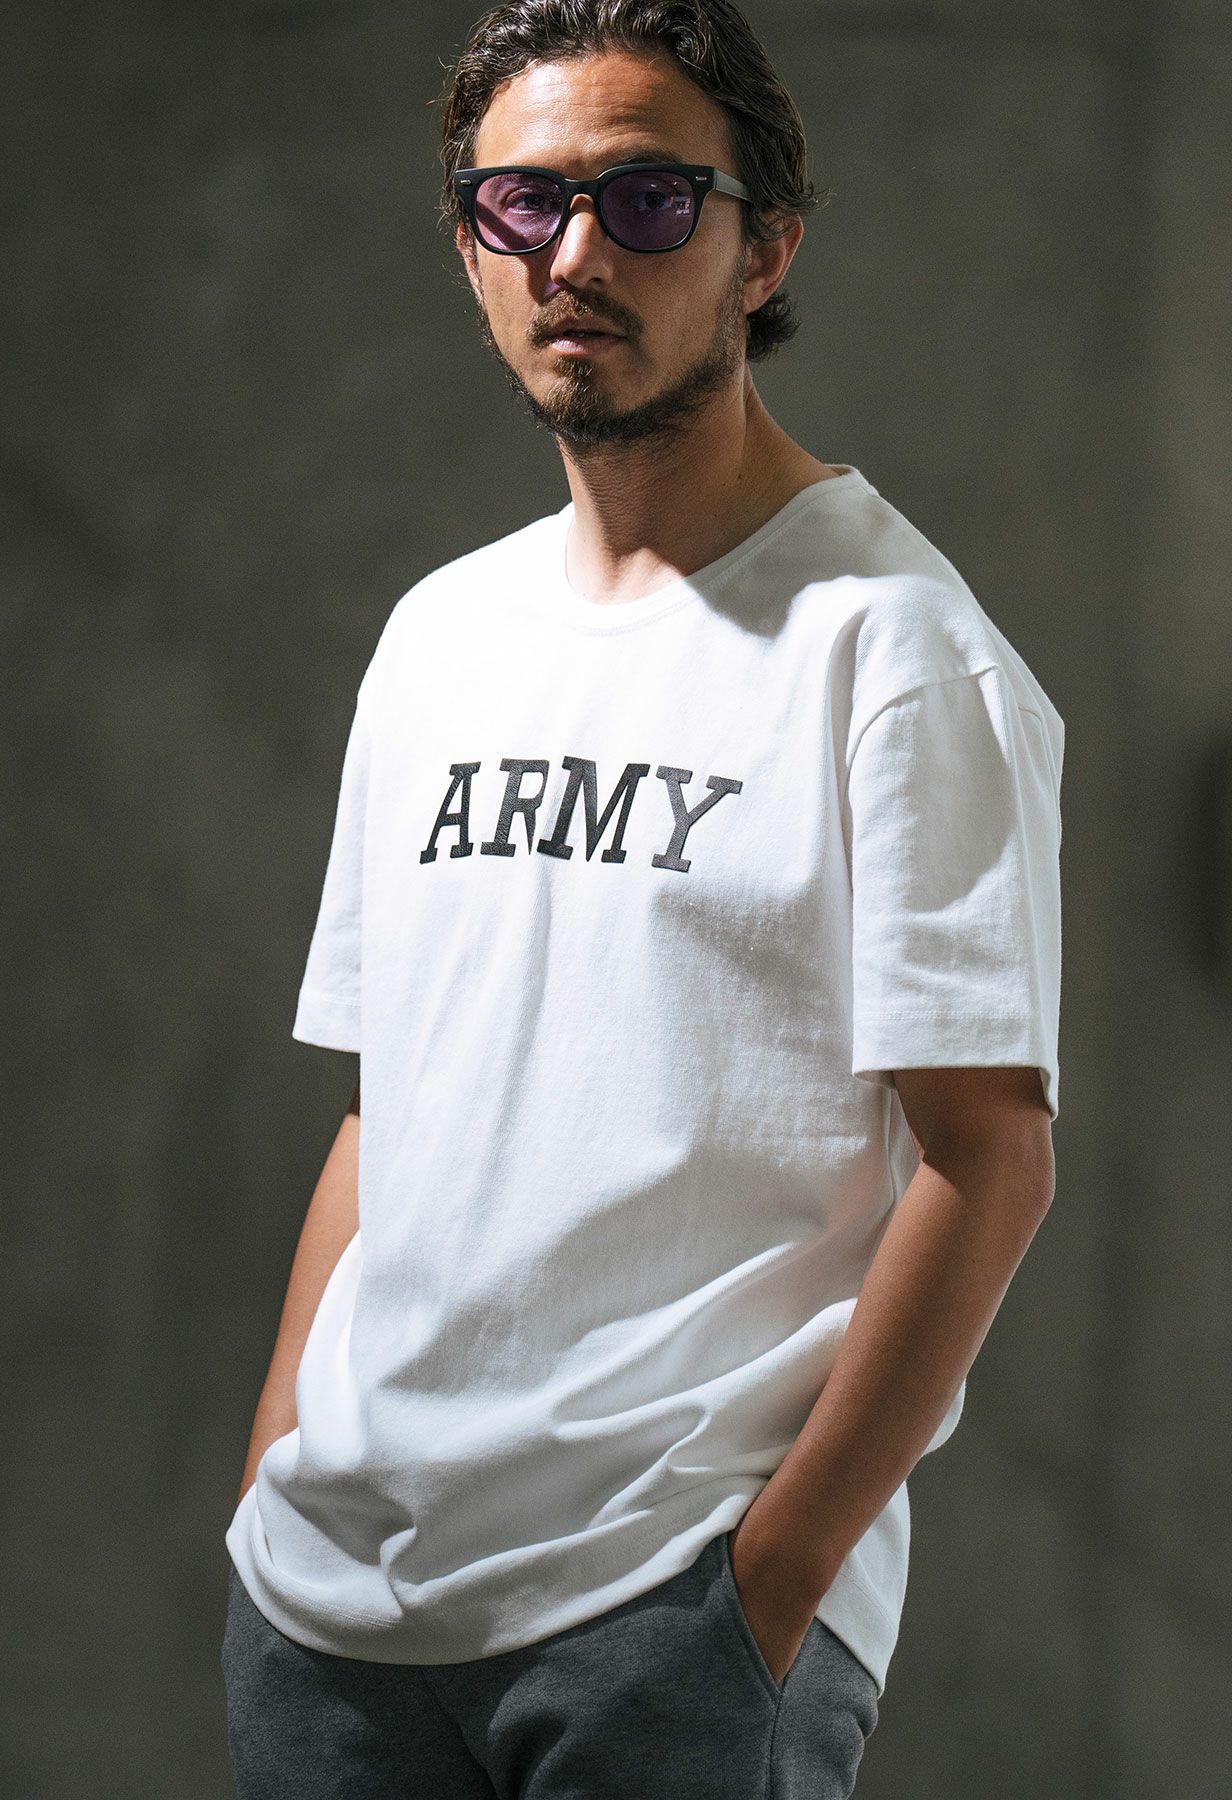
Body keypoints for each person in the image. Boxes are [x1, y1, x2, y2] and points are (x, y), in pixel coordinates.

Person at [220, 2, 1065, 1795]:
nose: (577, 254)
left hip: (665, 1615)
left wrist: (767, 1592)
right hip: (335, 1615)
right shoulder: (440, 637)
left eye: (650, 200)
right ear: (473, 245)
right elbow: (384, 1113)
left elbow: (991, 1157)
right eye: (521, 203)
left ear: (767, 250)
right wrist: (273, 1463)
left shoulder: (896, 654)